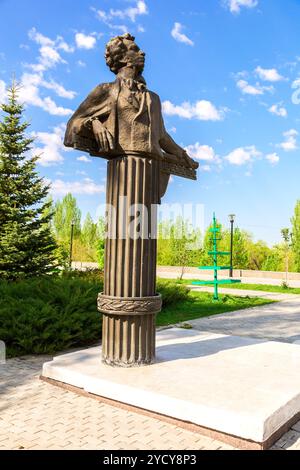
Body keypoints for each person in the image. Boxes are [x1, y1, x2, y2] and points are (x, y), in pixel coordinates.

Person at [64, 33, 198, 172]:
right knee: (125, 194)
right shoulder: (106, 90)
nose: (142, 52)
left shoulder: (153, 98)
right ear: (123, 58)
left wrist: (183, 155)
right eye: (134, 49)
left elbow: (161, 135)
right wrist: (94, 123)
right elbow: (72, 127)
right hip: (121, 166)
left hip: (152, 170)